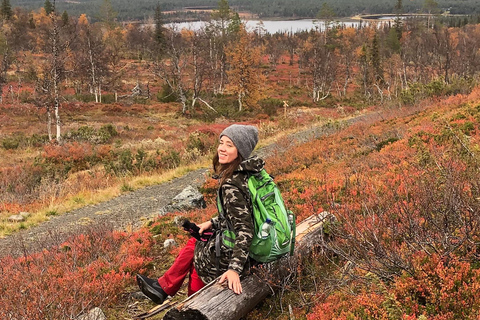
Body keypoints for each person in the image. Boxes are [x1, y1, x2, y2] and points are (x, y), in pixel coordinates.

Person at [136, 124, 264, 304]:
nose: (221, 148)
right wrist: (211, 223)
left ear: (240, 150)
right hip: (260, 243)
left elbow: (245, 229)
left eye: (229, 145)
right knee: (199, 239)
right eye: (221, 142)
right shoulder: (253, 172)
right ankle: (165, 288)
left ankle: (191, 303)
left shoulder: (232, 184)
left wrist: (234, 269)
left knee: (198, 253)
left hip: (246, 255)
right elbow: (244, 213)